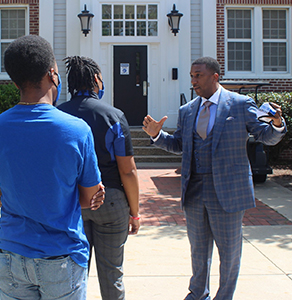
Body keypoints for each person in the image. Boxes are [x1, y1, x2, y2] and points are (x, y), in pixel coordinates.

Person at [142, 56, 286, 300]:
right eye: (191, 75)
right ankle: (198, 293)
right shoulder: (188, 110)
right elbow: (179, 145)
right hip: (195, 189)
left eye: (198, 75)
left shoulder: (240, 104)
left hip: (228, 191)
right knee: (198, 250)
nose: (193, 80)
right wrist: (157, 136)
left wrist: (277, 123)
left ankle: (224, 296)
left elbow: (266, 137)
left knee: (229, 251)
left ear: (215, 76)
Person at [0, 35, 104, 300]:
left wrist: (6, 194)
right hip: (61, 256)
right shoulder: (76, 130)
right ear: (53, 74)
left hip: (10, 254)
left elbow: (2, 185)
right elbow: (90, 198)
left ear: (14, 79)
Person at [58, 56, 140, 300]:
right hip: (111, 201)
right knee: (112, 273)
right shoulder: (114, 116)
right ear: (96, 80)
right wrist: (134, 212)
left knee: (73, 273)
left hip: (71, 202)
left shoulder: (58, 115)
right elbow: (128, 170)